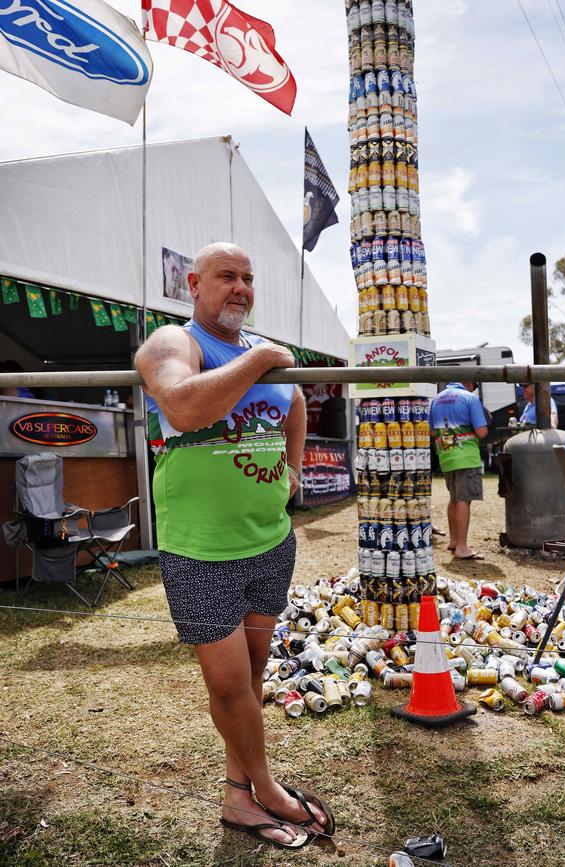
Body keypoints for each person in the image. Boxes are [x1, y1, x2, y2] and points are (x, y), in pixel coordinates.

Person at [135, 242, 333, 851]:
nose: (241, 287)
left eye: (248, 278)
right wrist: (265, 358)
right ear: (193, 283)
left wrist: (295, 470)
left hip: (269, 542)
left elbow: (296, 400)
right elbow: (184, 404)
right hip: (200, 549)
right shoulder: (174, 342)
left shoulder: (262, 357)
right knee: (228, 687)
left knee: (249, 677)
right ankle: (267, 789)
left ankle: (236, 797)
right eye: (226, 277)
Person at [430, 381, 488, 560]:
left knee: (454, 498)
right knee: (464, 499)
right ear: (469, 384)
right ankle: (462, 547)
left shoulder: (436, 400)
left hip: (446, 456)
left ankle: (454, 541)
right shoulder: (470, 398)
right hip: (466, 456)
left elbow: (432, 432)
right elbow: (481, 432)